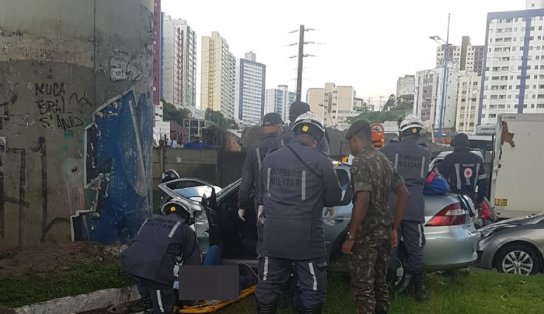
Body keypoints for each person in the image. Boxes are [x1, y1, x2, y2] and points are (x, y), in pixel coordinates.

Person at [255, 112, 342, 314]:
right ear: (318, 137)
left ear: (294, 132)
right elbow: (333, 199)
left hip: (273, 234)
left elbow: (262, 193)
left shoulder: (270, 159)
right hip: (307, 237)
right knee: (312, 287)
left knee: (268, 284)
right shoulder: (322, 162)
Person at [342, 119, 408, 314]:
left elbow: (362, 199)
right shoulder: (383, 160)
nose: (350, 148)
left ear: (355, 139)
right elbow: (404, 193)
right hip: (385, 232)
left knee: (363, 288)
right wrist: (395, 227)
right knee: (381, 283)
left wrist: (351, 236)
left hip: (366, 234)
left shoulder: (361, 161)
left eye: (350, 143)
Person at [380, 114, 430, 302]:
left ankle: (388, 289)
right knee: (415, 248)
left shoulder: (389, 150)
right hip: (414, 206)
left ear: (403, 132)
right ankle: (419, 292)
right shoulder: (426, 153)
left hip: (392, 204)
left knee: (391, 247)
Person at [121, 197, 202, 314]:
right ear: (186, 216)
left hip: (132, 264)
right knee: (163, 307)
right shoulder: (184, 229)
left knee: (148, 299)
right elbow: (193, 263)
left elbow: (138, 244)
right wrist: (191, 296)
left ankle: (148, 306)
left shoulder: (149, 221)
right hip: (156, 270)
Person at [238, 112, 284, 258]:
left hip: (262, 204)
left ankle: (264, 274)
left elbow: (246, 182)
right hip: (285, 203)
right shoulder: (286, 146)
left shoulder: (254, 150)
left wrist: (242, 205)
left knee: (264, 244)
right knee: (282, 243)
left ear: (264, 128)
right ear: (278, 126)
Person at [436, 133, 488, 206]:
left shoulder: (450, 158)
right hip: (471, 200)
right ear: (467, 143)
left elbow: (436, 175)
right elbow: (483, 183)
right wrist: (479, 200)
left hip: (454, 201)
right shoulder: (478, 159)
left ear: (455, 144)